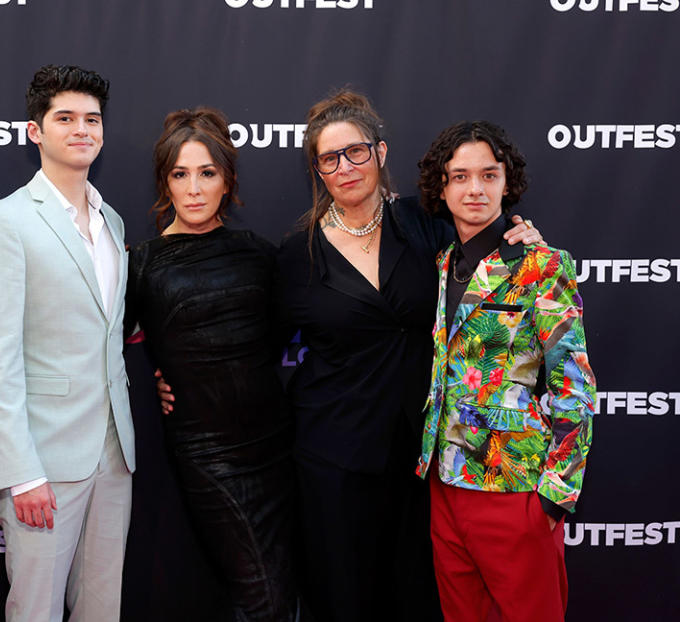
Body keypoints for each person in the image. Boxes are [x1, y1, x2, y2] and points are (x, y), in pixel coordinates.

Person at [272, 91, 542, 621]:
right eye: (330, 159)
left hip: (424, 459)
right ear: (317, 171)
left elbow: (493, 263)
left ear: (381, 152)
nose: (345, 167)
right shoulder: (295, 253)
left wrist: (523, 237)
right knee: (343, 598)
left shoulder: (428, 225)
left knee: (419, 597)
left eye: (356, 151)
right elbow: (257, 344)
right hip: (334, 458)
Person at [0, 65, 135, 622]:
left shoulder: (111, 220)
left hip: (114, 453)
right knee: (35, 610)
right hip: (43, 461)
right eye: (65, 118)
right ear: (36, 131)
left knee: (101, 607)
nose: (82, 129)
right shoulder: (4, 222)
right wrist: (21, 472)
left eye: (92, 119)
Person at [415, 120, 595, 622]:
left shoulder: (542, 265)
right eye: (460, 176)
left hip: (513, 485)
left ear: (506, 182)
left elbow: (574, 384)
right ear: (442, 186)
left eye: (488, 175)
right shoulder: (444, 262)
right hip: (444, 482)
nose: (475, 189)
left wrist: (556, 494)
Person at [125, 108, 299, 622]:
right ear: (165, 182)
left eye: (207, 173)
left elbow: (289, 337)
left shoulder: (262, 255)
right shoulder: (143, 262)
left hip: (277, 443)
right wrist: (148, 382)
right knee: (260, 589)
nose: (194, 188)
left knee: (282, 584)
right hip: (208, 452)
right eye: (180, 174)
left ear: (228, 179)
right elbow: (105, 349)